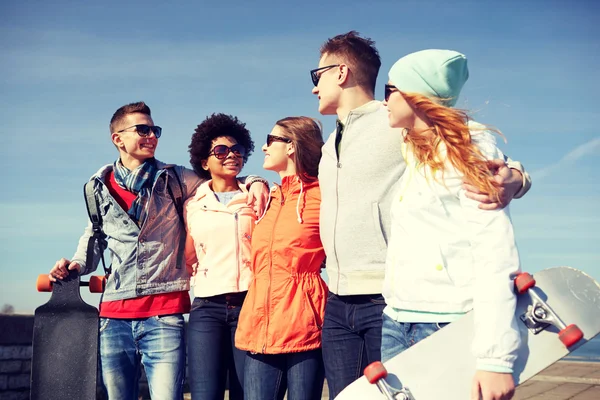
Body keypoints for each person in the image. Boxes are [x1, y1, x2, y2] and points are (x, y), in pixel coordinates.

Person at [310, 31, 532, 398]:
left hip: (417, 308)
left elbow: (495, 246)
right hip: (379, 308)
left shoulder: (399, 127)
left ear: (341, 72)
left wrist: (515, 177)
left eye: (391, 91)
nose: (315, 87)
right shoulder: (354, 142)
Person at [48, 102, 268, 400]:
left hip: (164, 314)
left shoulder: (177, 178)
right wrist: (76, 265)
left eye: (155, 130)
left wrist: (255, 180)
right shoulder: (96, 187)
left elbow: (221, 178)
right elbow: (95, 235)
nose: (152, 135)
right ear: (118, 139)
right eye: (143, 129)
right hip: (113, 315)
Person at [381, 49, 520, 400]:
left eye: (389, 90)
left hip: (447, 325)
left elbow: (495, 253)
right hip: (396, 321)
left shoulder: (468, 152)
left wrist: (496, 359)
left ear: (415, 96)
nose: (384, 101)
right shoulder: (412, 146)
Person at [235, 117, 327, 400]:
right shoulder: (266, 197)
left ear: (291, 147)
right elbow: (215, 178)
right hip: (259, 325)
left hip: (305, 326)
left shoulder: (323, 195)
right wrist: (255, 180)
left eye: (270, 139)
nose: (263, 147)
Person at [185, 113, 256, 400]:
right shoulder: (192, 204)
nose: (232, 156)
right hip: (206, 309)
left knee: (247, 393)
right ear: (205, 162)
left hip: (250, 304)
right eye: (221, 151)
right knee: (205, 394)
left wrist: (257, 181)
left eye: (237, 150)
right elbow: (188, 254)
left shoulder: (260, 196)